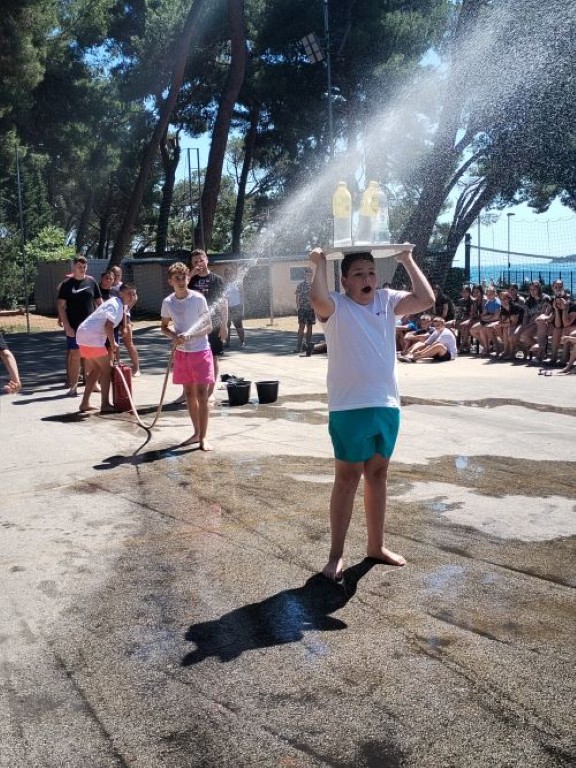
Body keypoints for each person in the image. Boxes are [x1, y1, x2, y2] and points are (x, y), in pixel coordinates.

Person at [309, 245, 434, 582]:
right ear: (345, 281)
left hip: (386, 404)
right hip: (348, 407)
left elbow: (426, 299)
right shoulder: (336, 305)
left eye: (371, 273)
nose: (367, 279)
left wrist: (407, 260)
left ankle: (376, 546)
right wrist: (319, 264)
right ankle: (336, 555)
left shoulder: (387, 300)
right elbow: (317, 299)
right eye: (359, 274)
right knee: (347, 478)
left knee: (378, 475)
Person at [161, 262, 214, 450]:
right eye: (177, 278)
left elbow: (208, 326)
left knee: (202, 394)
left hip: (201, 351)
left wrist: (191, 335)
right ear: (170, 281)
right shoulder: (168, 302)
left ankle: (204, 437)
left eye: (183, 277)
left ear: (188, 278)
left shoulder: (198, 299)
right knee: (189, 394)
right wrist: (174, 336)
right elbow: (163, 327)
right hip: (182, 354)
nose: (181, 281)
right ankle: (196, 433)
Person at [75, 283, 138, 413]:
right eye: (129, 293)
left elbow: (124, 313)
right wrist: (113, 342)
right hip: (91, 337)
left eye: (134, 294)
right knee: (107, 369)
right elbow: (108, 326)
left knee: (96, 370)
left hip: (84, 335)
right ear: (121, 293)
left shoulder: (120, 304)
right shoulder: (115, 305)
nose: (132, 296)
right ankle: (105, 404)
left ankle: (84, 403)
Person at [57, 255, 103, 396]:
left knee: (91, 355)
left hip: (91, 327)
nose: (82, 269)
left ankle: (93, 384)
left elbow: (100, 303)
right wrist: (67, 326)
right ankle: (73, 387)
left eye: (84, 267)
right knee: (75, 355)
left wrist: (103, 321)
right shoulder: (66, 284)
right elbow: (61, 306)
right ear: (74, 267)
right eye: (79, 267)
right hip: (74, 326)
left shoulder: (91, 282)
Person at [187, 249, 228, 399]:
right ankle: (188, 393)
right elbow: (179, 291)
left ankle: (210, 392)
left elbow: (224, 302)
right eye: (195, 262)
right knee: (192, 359)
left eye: (201, 260)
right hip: (194, 325)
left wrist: (224, 325)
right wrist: (190, 275)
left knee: (214, 356)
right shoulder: (190, 280)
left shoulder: (217, 280)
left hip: (214, 323)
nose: (199, 264)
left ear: (207, 260)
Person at [110, 265, 140, 376]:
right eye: (115, 274)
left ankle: (136, 368)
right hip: (111, 318)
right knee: (114, 344)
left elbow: (135, 298)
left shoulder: (124, 287)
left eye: (119, 275)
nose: (117, 277)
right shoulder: (107, 285)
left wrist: (127, 309)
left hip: (124, 317)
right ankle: (116, 367)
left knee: (129, 343)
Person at [224, 266, 246, 348]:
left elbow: (242, 295)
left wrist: (242, 306)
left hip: (237, 306)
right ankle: (227, 342)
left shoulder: (237, 283)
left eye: (230, 274)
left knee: (238, 325)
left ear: (233, 274)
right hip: (227, 307)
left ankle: (242, 342)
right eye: (227, 274)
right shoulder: (224, 284)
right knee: (227, 325)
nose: (228, 275)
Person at [295, 267, 315, 353]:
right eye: (307, 273)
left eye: (310, 273)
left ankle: (307, 346)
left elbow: (317, 297)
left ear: (312, 274)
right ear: (304, 274)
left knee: (309, 327)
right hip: (302, 309)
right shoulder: (300, 285)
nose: (308, 274)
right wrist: (298, 307)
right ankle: (298, 347)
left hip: (311, 309)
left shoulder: (314, 286)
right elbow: (297, 296)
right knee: (301, 327)